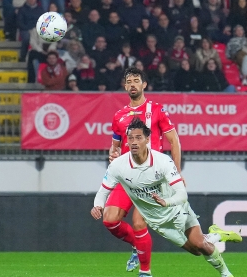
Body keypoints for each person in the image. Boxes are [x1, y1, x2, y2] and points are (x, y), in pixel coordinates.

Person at [91, 117, 242, 277]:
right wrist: (98, 205)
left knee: (200, 245)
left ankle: (226, 274)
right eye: (131, 138)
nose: (134, 142)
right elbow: (103, 191)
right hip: (158, 222)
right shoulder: (118, 166)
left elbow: (182, 194)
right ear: (127, 141)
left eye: (138, 137)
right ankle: (217, 235)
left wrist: (167, 201)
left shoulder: (162, 161)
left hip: (177, 209)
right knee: (195, 251)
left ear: (147, 139)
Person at [103, 67, 182, 276]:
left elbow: (174, 141)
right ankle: (137, 247)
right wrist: (113, 155)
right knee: (109, 219)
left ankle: (145, 272)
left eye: (136, 80)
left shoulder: (156, 109)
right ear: (125, 86)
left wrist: (177, 174)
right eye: (129, 81)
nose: (132, 84)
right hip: (127, 176)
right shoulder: (119, 116)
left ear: (144, 85)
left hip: (151, 178)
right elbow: (115, 147)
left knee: (139, 222)